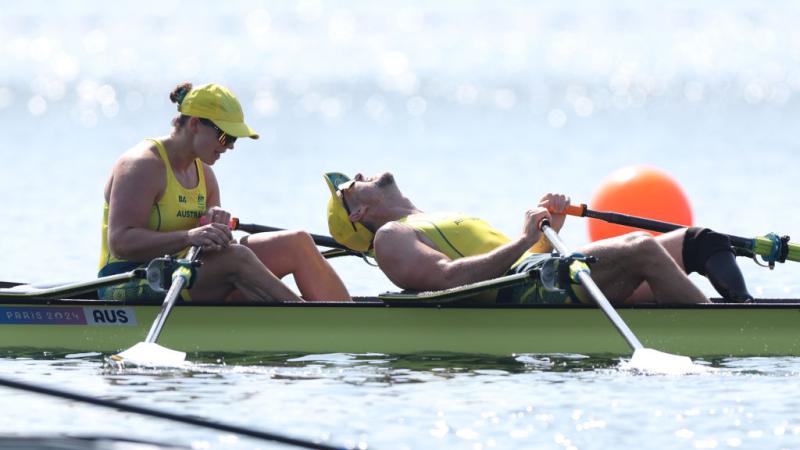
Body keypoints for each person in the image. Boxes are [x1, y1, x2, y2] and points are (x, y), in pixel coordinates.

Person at [323, 171, 754, 304]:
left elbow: (515, 257)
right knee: (640, 247)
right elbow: (449, 279)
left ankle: (745, 312)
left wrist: (549, 232)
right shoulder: (390, 238)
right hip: (523, 292)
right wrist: (525, 238)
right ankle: (736, 339)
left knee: (701, 241)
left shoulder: (432, 218)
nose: (358, 176)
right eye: (349, 187)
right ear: (358, 213)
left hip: (537, 273)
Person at [97, 82, 350, 302]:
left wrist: (218, 234)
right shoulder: (142, 166)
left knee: (297, 242)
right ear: (195, 124)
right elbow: (121, 243)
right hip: (128, 280)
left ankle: (350, 320)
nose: (229, 146)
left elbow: (217, 250)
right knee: (237, 258)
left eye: (234, 140)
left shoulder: (205, 174)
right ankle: (310, 320)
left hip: (184, 271)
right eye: (224, 137)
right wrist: (190, 236)